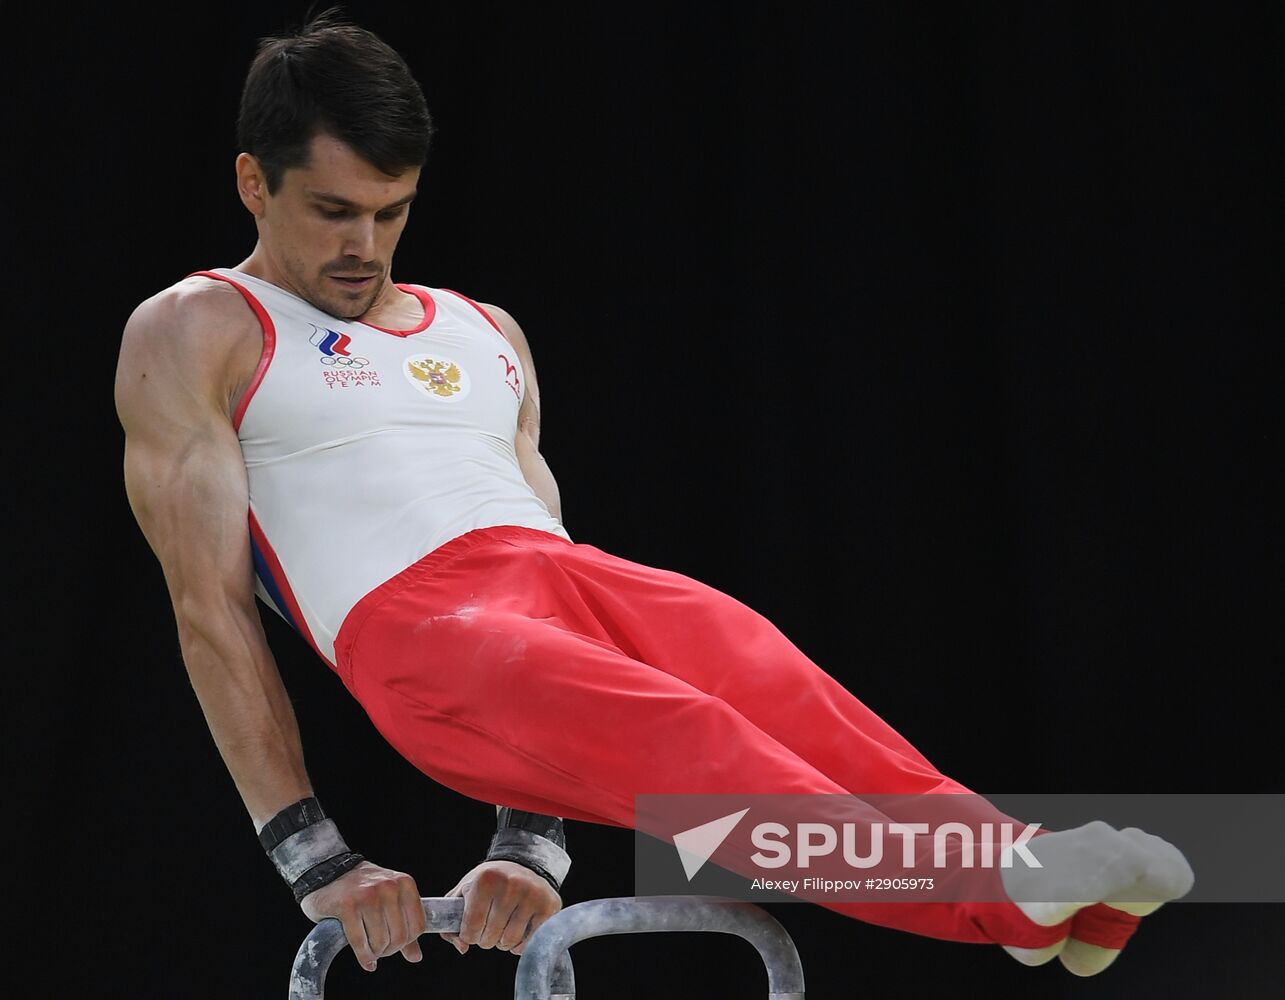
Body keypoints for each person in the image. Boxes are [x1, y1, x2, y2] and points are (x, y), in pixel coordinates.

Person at [113, 8, 1192, 981]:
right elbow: (208, 613)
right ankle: (996, 896)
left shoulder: (485, 334)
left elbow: (563, 656)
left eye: (392, 214)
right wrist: (316, 860)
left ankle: (1040, 899)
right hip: (419, 634)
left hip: (556, 584)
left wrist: (528, 846)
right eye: (333, 212)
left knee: (762, 671)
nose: (365, 248)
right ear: (254, 182)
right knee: (696, 744)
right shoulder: (196, 330)